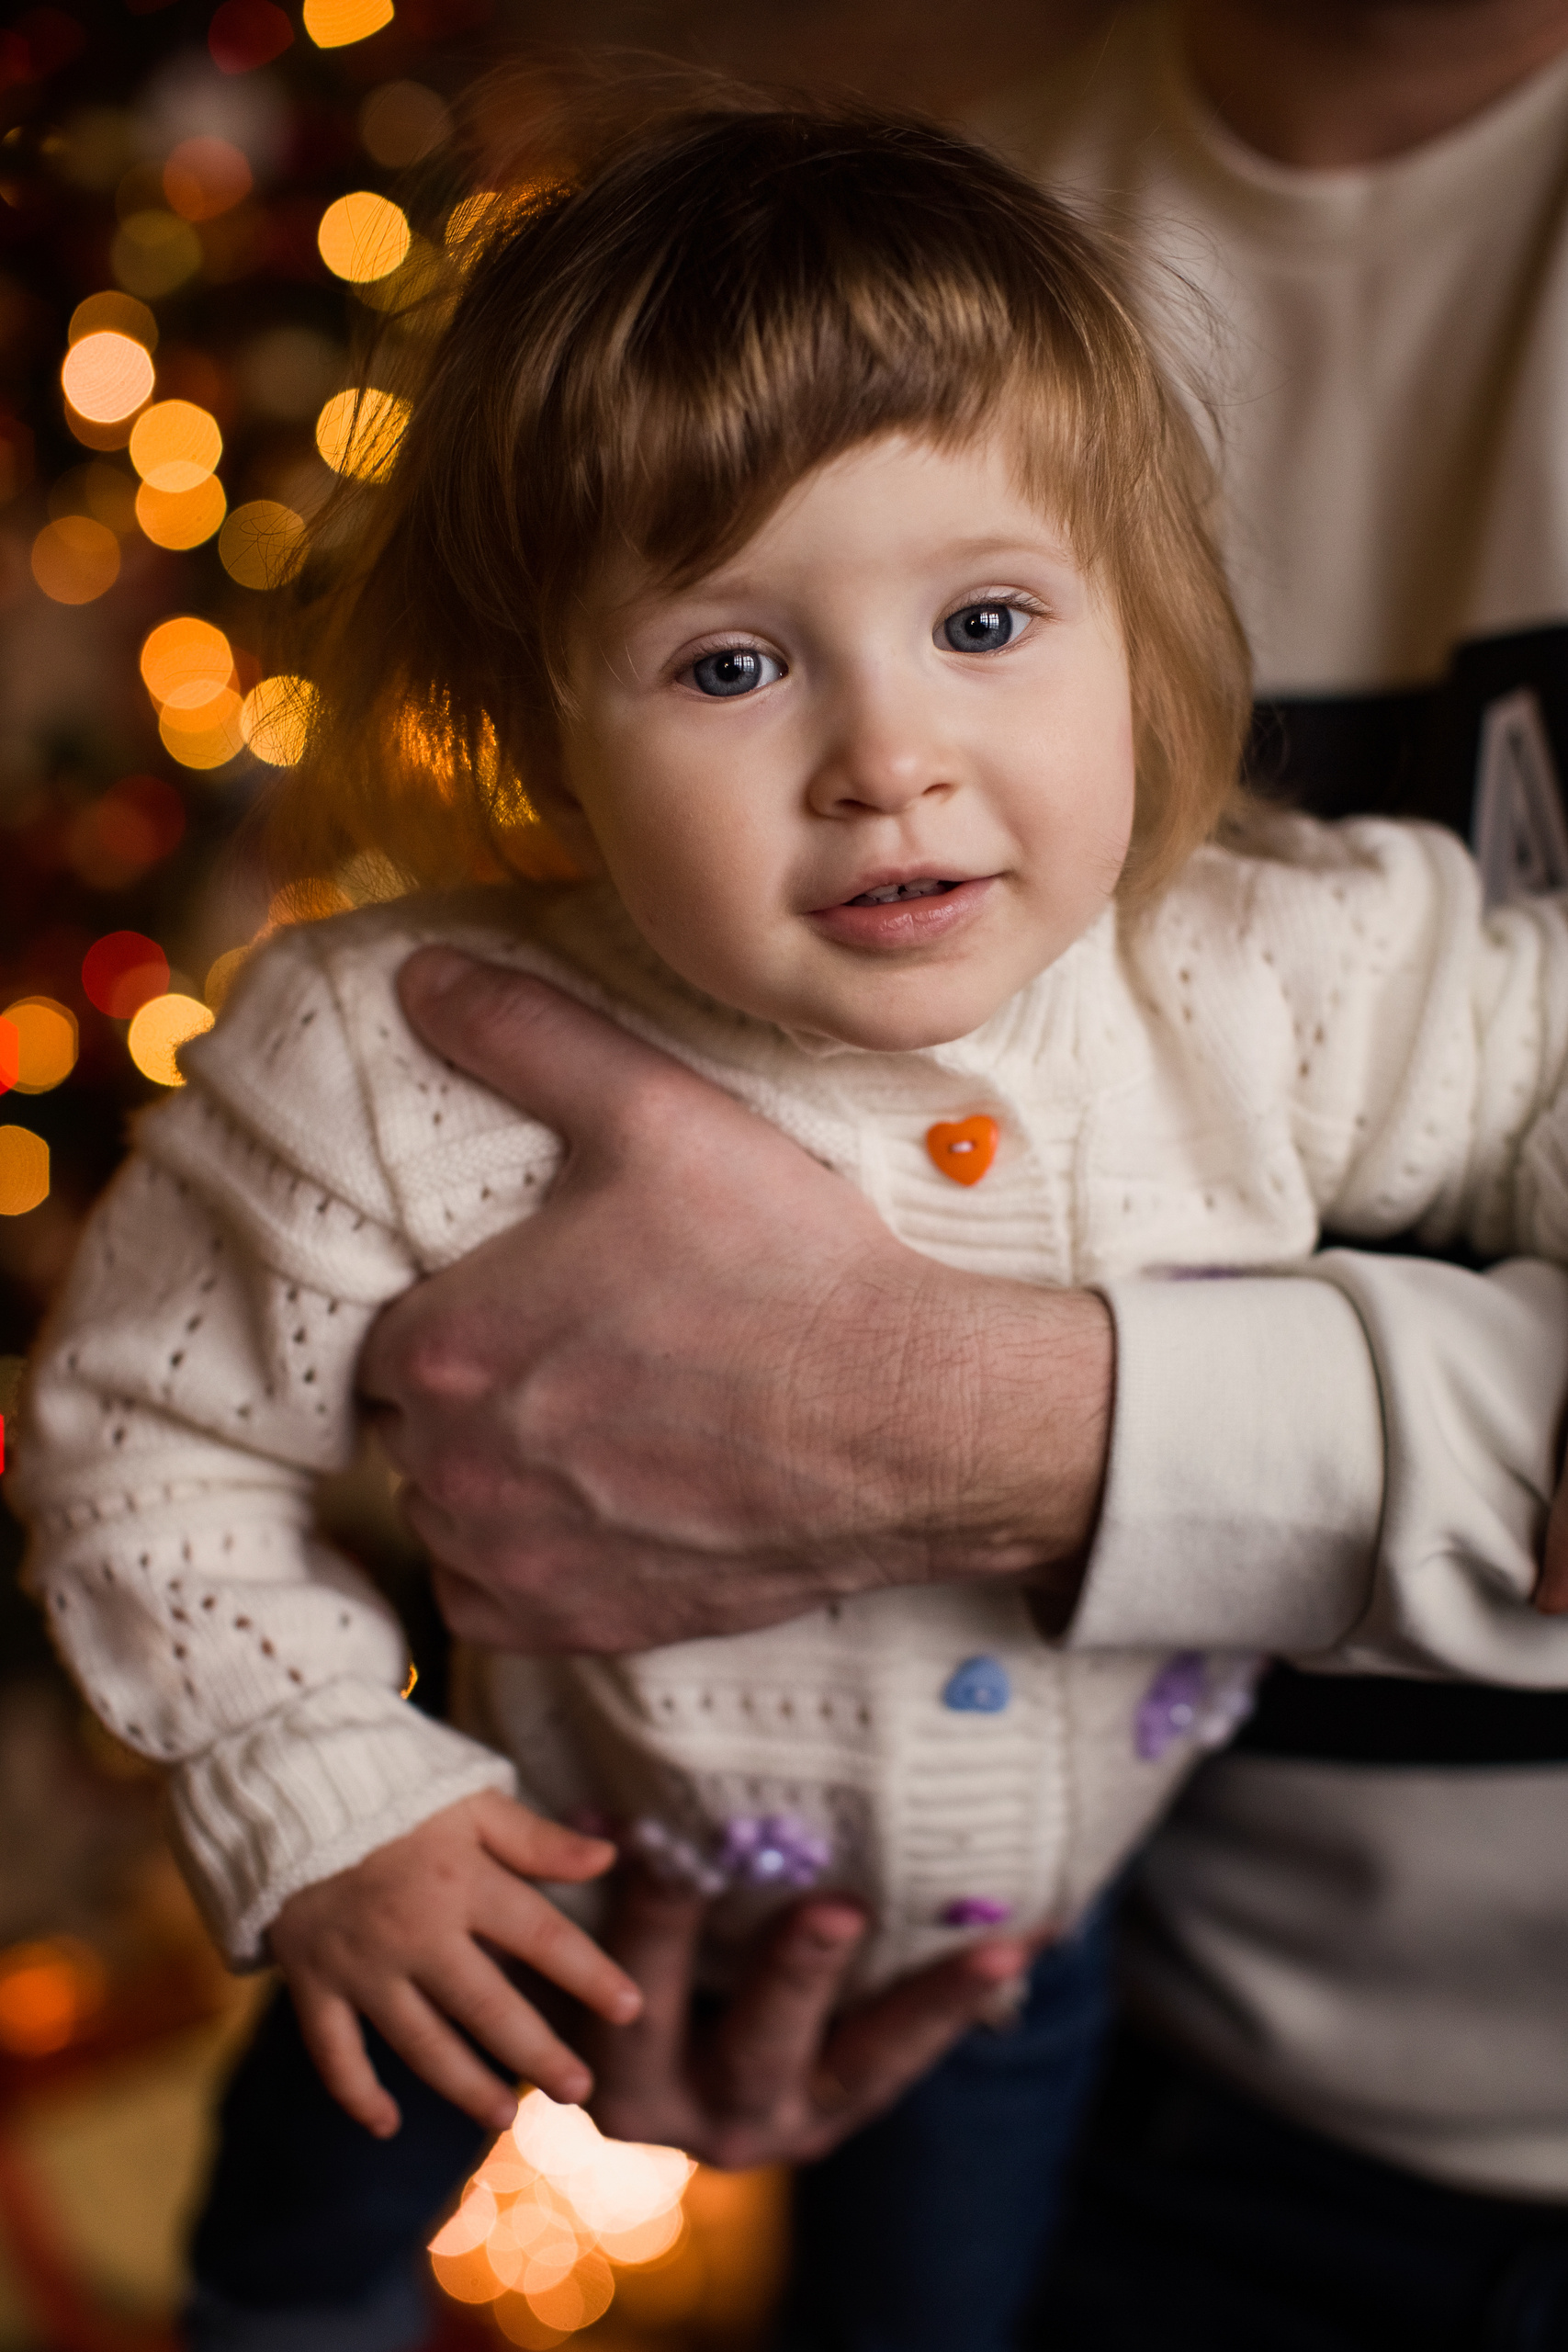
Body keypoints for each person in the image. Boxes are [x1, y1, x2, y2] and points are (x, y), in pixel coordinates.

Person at [17, 78, 1568, 2352]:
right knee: (287, 2290)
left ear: (1137, 624)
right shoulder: (394, 1045)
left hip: (1021, 1965)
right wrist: (334, 1794)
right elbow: (142, 1438)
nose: (886, 753)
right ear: (544, 734)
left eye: (985, 620)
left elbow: (1542, 1046)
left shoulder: (1259, 962)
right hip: (503, 1892)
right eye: (730, 663)